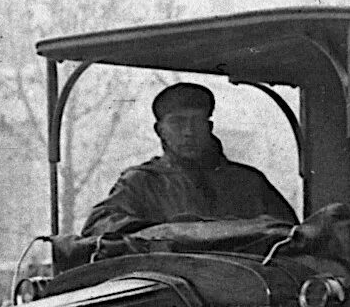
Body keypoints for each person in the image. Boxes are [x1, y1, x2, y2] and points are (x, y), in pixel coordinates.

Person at [80, 82, 298, 237]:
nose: (188, 132)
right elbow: (98, 225)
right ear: (160, 131)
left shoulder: (248, 182)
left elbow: (292, 234)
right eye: (177, 123)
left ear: (209, 127)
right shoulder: (142, 183)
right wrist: (163, 232)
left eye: (197, 122)